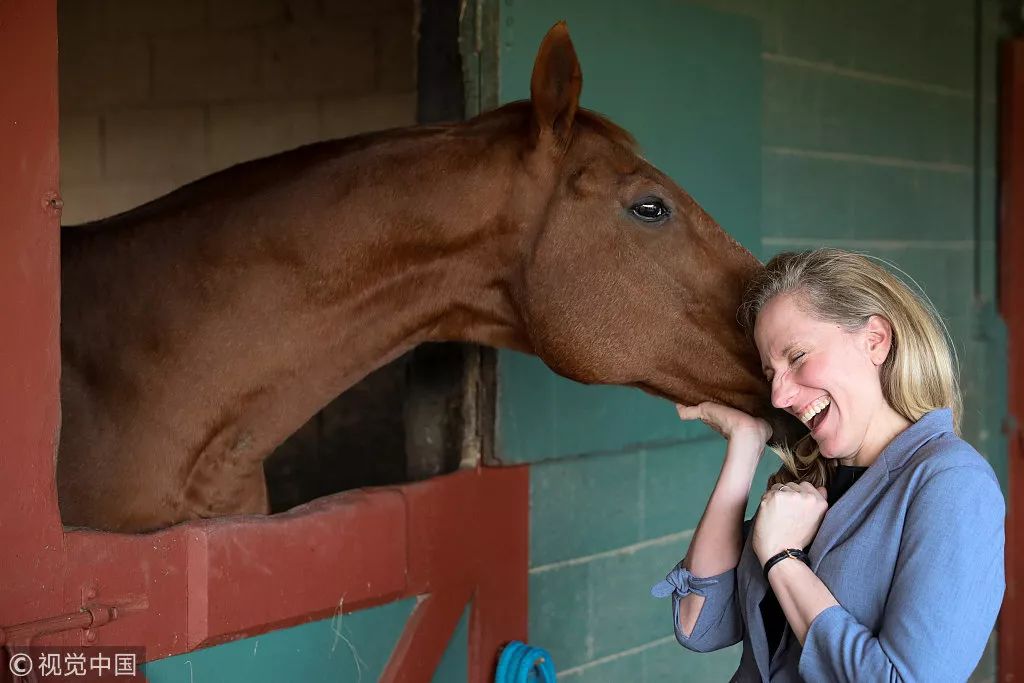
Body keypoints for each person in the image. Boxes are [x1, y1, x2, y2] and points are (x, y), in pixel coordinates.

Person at [650, 249, 1005, 681]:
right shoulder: (811, 484)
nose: (779, 396)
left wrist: (782, 559)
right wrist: (744, 450)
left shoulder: (952, 482)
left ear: (875, 340)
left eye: (797, 357)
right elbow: (699, 624)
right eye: (770, 373)